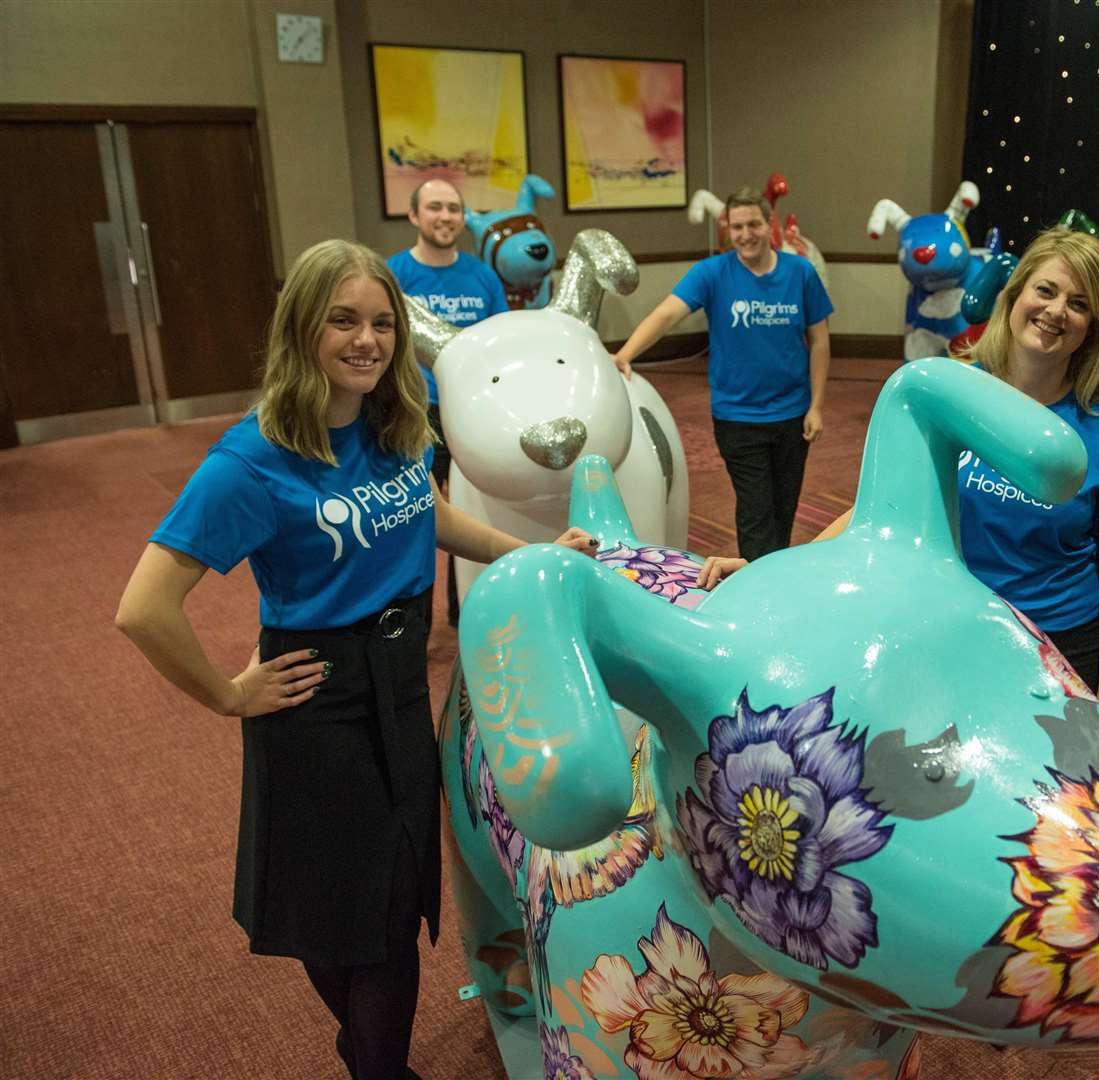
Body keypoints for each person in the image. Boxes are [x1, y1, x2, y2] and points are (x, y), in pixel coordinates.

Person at [114, 240, 595, 1080]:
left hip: (404, 687)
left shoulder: (396, 421)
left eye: (381, 322)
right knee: (348, 921)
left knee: (393, 908)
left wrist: (534, 549)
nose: (366, 339)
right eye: (343, 320)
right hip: (317, 702)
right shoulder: (252, 460)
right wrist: (228, 695)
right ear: (303, 328)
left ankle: (371, 1059)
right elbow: (143, 608)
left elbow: (429, 516)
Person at [801, 227, 1099, 715]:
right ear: (1014, 296)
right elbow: (879, 511)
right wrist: (782, 573)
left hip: (1054, 648)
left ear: (1092, 326)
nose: (1056, 311)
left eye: (1078, 304)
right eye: (1046, 290)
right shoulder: (952, 394)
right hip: (948, 629)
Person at [611, 188, 832, 561]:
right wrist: (626, 354)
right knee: (756, 511)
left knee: (783, 506)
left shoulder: (800, 273)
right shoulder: (712, 273)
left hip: (793, 414)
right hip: (737, 417)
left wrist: (817, 406)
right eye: (737, 226)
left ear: (769, 226)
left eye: (754, 225)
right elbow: (667, 313)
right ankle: (756, 590)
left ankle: (774, 574)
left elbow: (820, 342)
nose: (745, 234)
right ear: (728, 230)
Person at [387, 178, 510, 625]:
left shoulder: (481, 275)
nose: (445, 217)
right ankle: (407, 618)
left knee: (472, 513)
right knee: (413, 516)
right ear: (415, 216)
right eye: (435, 207)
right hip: (411, 412)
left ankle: (468, 613)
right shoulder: (394, 273)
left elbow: (499, 343)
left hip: (472, 414)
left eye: (454, 209)